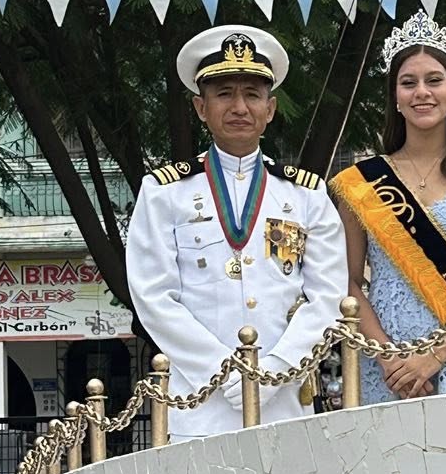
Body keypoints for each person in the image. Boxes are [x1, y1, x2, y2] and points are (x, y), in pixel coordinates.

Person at [125, 26, 347, 440]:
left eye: (252, 95)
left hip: (286, 401)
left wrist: (278, 369)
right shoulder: (164, 192)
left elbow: (329, 295)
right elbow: (153, 296)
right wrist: (223, 370)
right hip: (200, 404)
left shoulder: (306, 194)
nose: (240, 107)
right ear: (200, 107)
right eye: (224, 93)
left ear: (271, 108)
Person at [330, 12, 446, 404]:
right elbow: (348, 282)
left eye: (434, 80)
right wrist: (390, 360)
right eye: (408, 83)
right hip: (387, 369)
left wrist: (435, 355)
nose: (421, 92)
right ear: (396, 96)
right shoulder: (360, 183)